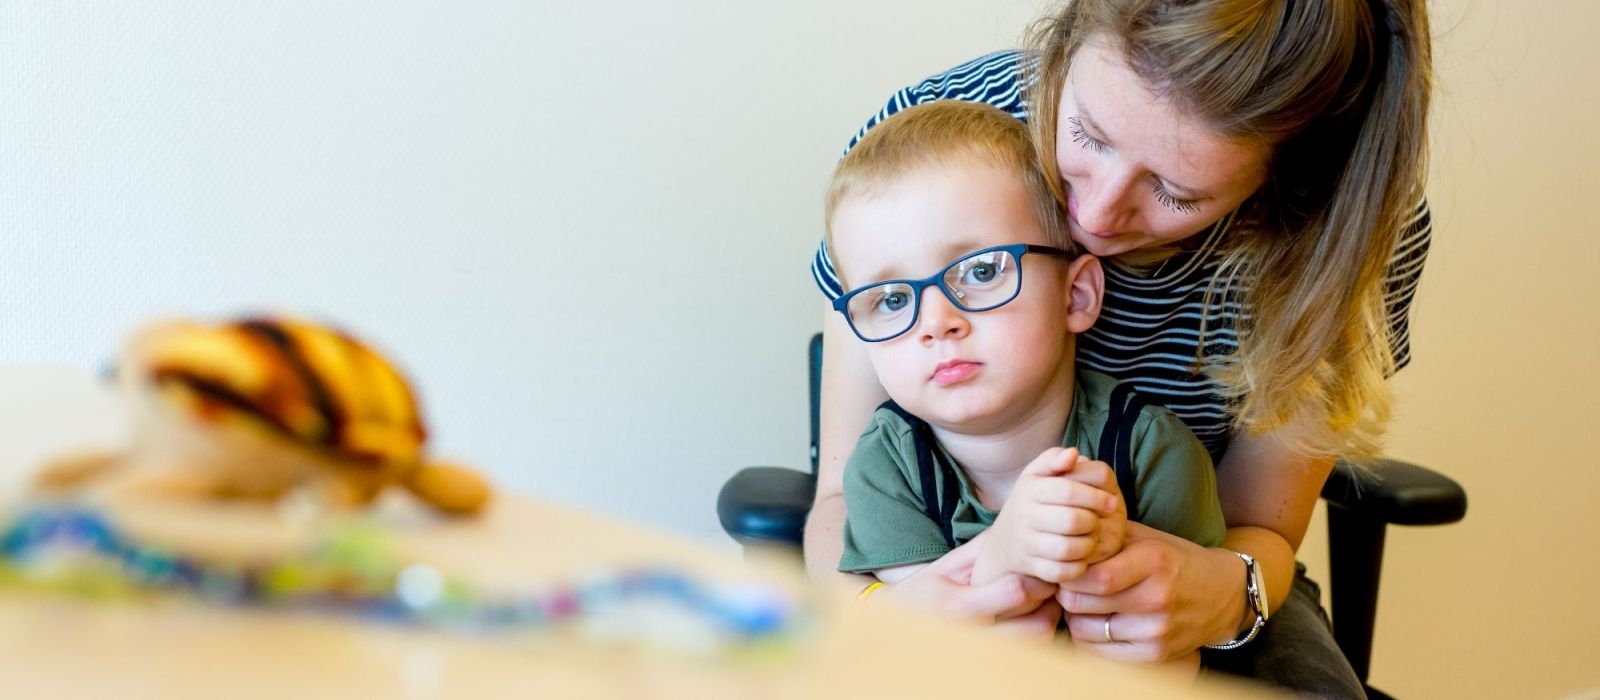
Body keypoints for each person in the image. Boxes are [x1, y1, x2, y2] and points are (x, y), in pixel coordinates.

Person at [804, 1, 1432, 696]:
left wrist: (1214, 598)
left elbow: (1258, 532)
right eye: (1088, 134)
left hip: (1197, 565)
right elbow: (839, 496)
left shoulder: (1345, 236)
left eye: (1174, 190)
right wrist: (888, 615)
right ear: (1070, 41)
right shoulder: (929, 137)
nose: (1095, 217)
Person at [826, 100, 1227, 676]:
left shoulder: (1154, 453)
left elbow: (1177, 654)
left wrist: (1106, 569)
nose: (937, 321)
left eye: (982, 270)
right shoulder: (884, 466)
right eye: (891, 299)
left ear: (1076, 296)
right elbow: (930, 653)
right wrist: (1008, 551)